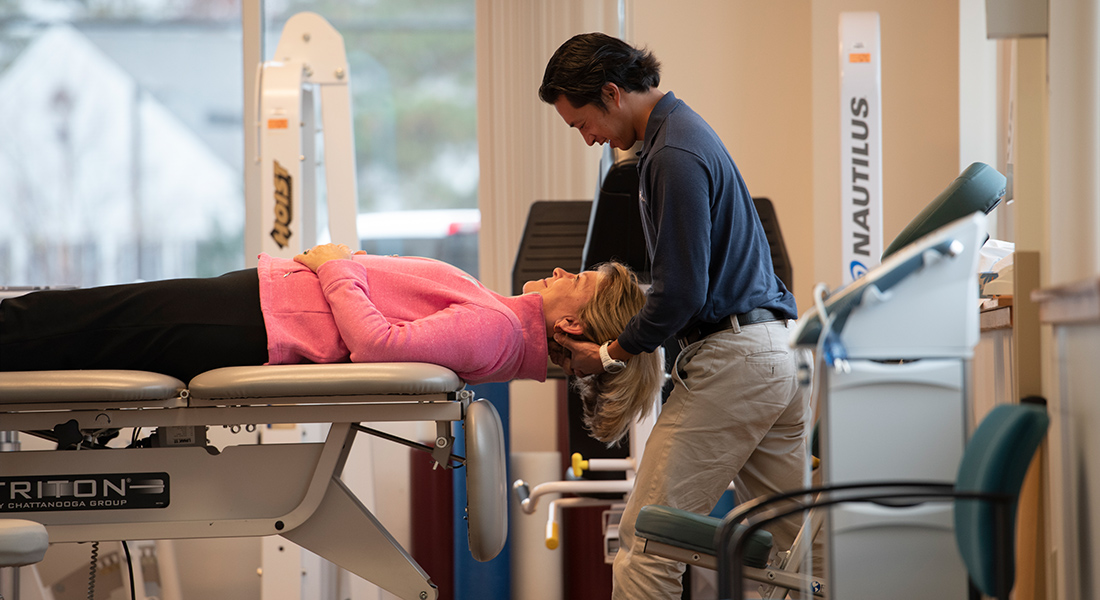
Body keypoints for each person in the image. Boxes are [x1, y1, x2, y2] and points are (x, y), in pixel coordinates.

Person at [540, 33, 812, 598]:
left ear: (611, 93)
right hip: (772, 355)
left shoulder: (673, 155)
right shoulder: (680, 137)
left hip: (737, 362)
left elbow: (682, 295)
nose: (589, 139)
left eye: (582, 124)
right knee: (800, 556)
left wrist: (609, 354)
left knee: (647, 542)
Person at [1, 244, 663, 441]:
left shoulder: (494, 330)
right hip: (259, 311)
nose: (560, 271)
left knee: (56, 324)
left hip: (256, 322)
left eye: (576, 280)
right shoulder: (498, 322)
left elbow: (377, 345)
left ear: (571, 325)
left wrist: (334, 264)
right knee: (66, 321)